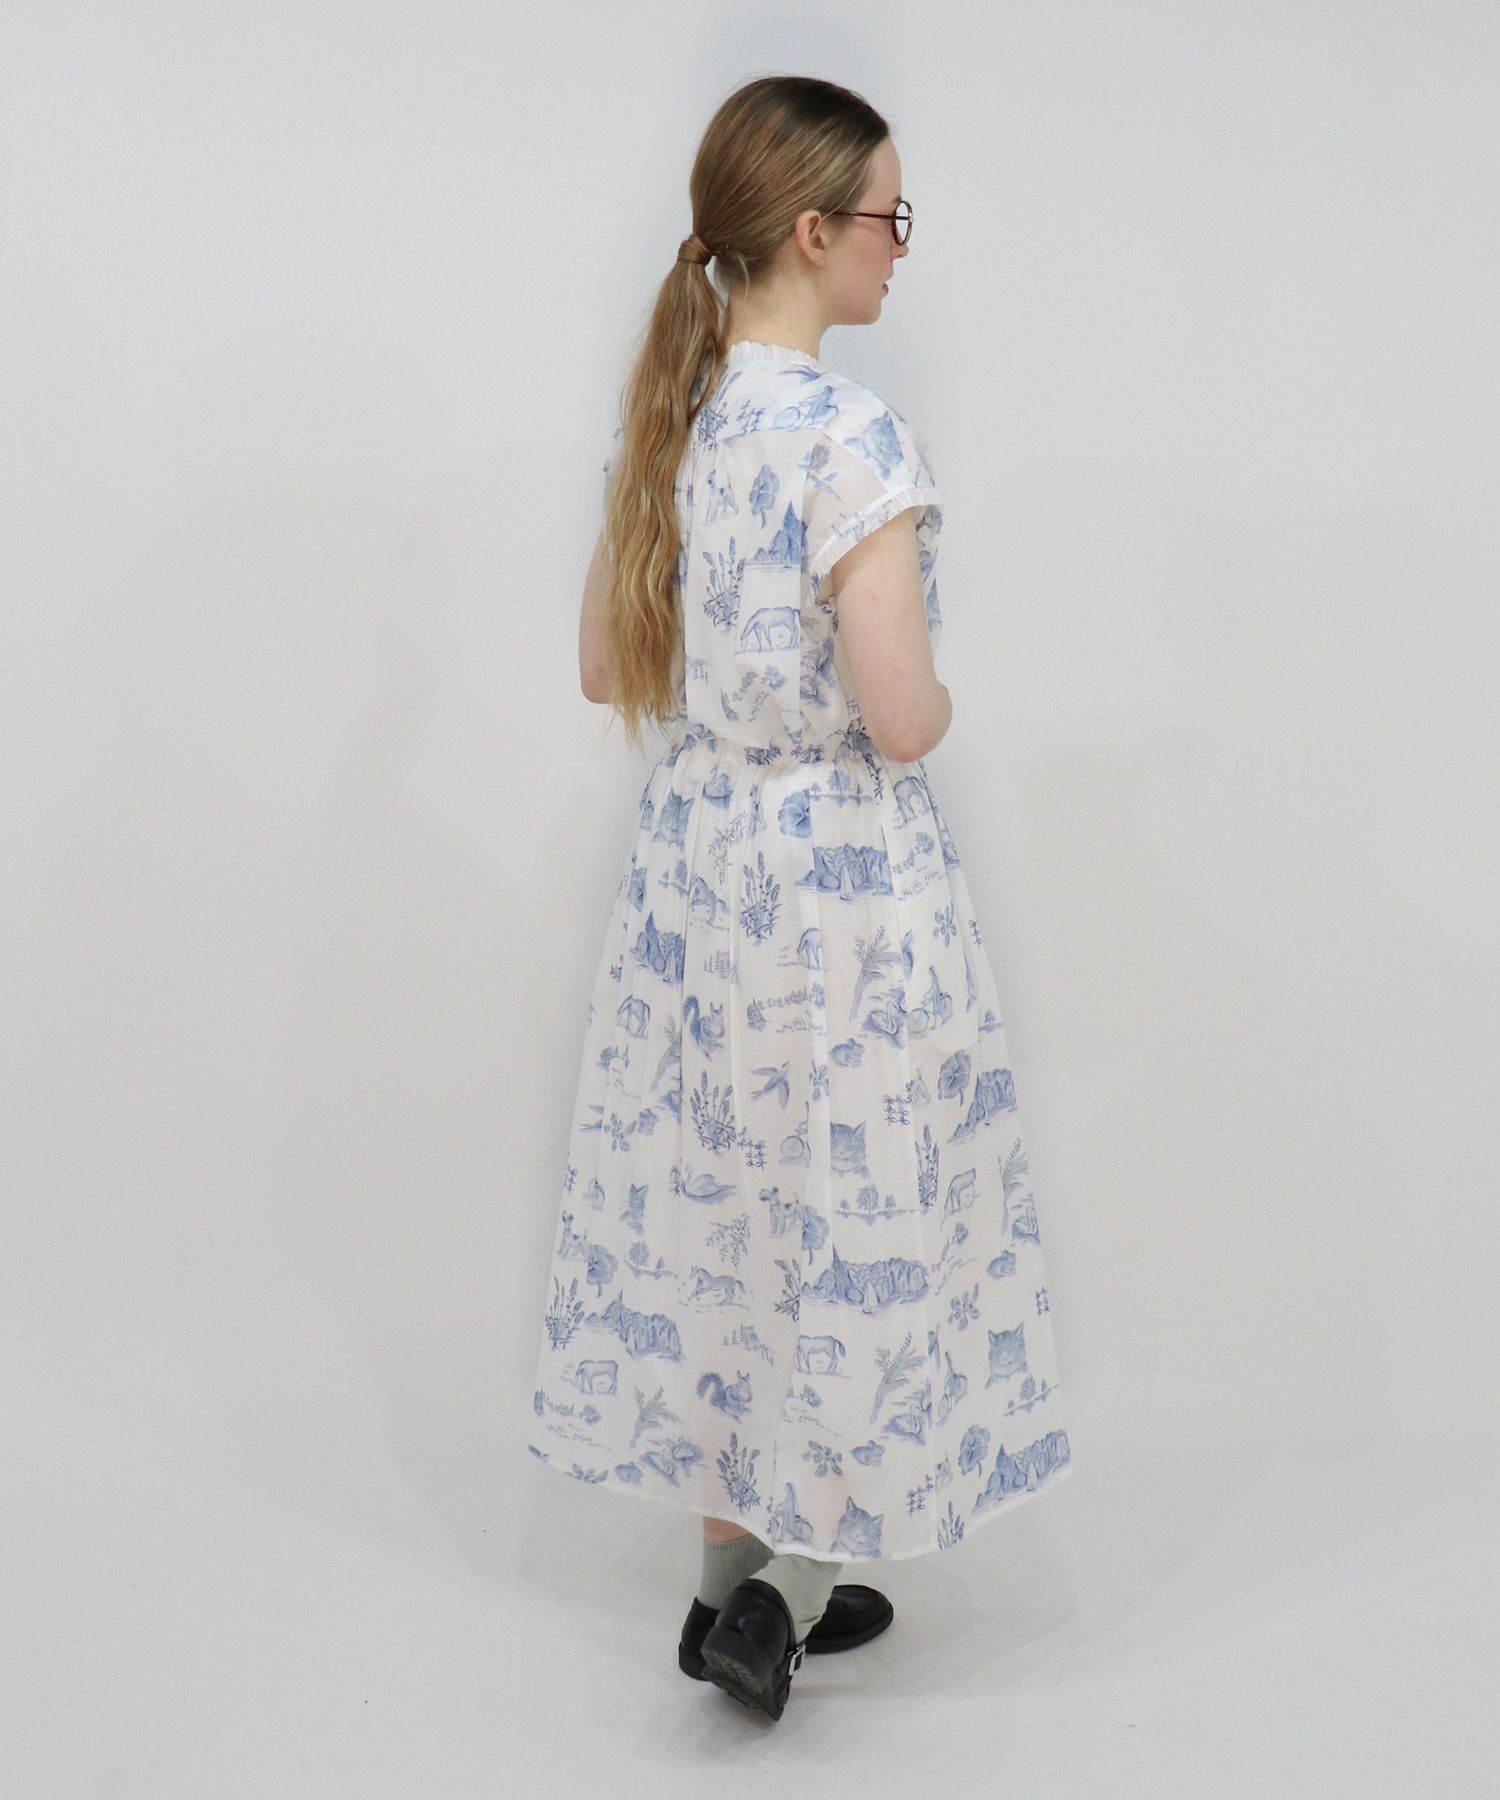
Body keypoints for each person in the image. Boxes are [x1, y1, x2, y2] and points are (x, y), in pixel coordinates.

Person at [525, 73, 1074, 1722]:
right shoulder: (851, 439)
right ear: (813, 231)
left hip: (696, 885)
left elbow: (602, 665)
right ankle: (791, 1585)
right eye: (890, 217)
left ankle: (720, 1585)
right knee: (844, 1212)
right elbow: (899, 716)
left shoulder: (672, 431)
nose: (904, 247)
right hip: (834, 891)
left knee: (724, 1217)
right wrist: (942, 699)